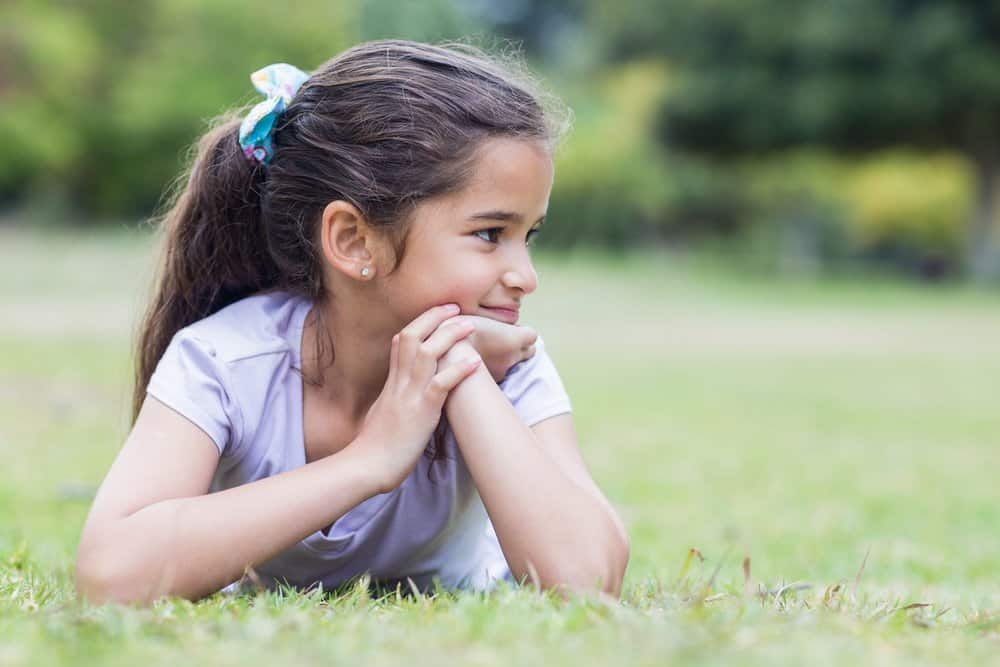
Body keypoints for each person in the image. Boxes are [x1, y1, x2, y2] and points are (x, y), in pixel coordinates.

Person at [74, 39, 630, 607]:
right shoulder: (225, 361)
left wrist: (460, 372)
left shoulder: (507, 364)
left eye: (528, 236)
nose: (525, 276)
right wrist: (369, 461)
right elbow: (111, 574)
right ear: (352, 240)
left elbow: (587, 582)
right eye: (490, 234)